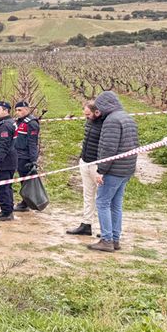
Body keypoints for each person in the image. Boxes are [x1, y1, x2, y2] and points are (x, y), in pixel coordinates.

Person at [88, 91, 138, 252]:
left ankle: (106, 240)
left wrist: (101, 170)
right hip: (126, 169)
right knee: (116, 205)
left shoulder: (111, 121)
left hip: (114, 170)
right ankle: (115, 239)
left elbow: (109, 148)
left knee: (102, 203)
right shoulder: (127, 117)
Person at [67, 101, 104, 236]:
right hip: (85, 162)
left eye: (88, 114)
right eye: (85, 114)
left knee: (102, 198)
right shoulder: (89, 122)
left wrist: (102, 168)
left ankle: (105, 229)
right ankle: (86, 224)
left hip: (98, 165)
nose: (86, 117)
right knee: (88, 195)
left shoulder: (106, 124)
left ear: (97, 112)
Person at [13, 101, 41, 212]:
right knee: (22, 180)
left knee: (26, 181)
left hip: (25, 156)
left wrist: (33, 161)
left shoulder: (31, 123)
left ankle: (26, 203)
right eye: (16, 110)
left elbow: (33, 143)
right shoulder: (19, 122)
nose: (17, 112)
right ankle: (26, 202)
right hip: (18, 154)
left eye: (20, 110)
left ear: (27, 110)